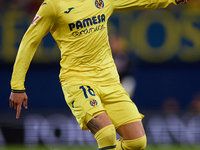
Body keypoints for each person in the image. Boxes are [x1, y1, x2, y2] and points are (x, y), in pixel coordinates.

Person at [9, 0, 189, 149]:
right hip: (78, 81)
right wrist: (17, 86)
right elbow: (29, 42)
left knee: (137, 142)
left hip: (109, 81)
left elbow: (139, 1)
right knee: (107, 134)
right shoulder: (53, 5)